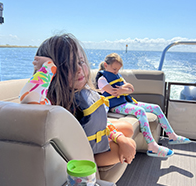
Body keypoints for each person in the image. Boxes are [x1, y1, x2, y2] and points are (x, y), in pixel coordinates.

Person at [20, 34, 136, 167]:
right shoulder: (48, 103)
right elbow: (28, 100)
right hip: (78, 155)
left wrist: (119, 138)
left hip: (88, 139)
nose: (79, 70)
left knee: (127, 129)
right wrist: (47, 68)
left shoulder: (79, 92)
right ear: (54, 71)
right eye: (68, 65)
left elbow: (97, 123)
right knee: (125, 146)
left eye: (80, 62)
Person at [96, 53, 191, 158]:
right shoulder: (102, 79)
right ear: (106, 65)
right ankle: (152, 146)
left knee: (156, 107)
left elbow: (131, 89)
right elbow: (114, 92)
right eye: (114, 69)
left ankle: (172, 136)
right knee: (140, 111)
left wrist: (124, 88)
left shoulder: (117, 76)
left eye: (118, 69)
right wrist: (124, 88)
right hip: (115, 106)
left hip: (126, 102)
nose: (116, 72)